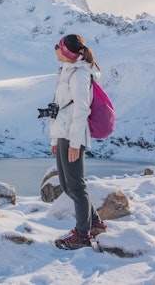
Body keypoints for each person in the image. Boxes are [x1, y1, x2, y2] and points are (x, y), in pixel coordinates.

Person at [50, 34, 107, 250]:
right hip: (64, 133)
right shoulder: (67, 72)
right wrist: (56, 138)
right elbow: (62, 108)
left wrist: (74, 143)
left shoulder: (79, 75)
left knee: (76, 184)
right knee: (66, 185)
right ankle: (95, 224)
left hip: (74, 135)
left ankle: (83, 235)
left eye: (58, 46)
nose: (55, 49)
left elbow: (82, 109)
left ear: (66, 52)